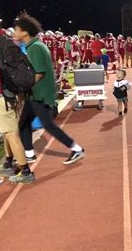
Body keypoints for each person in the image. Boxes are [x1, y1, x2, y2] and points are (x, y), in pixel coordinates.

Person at [14, 14, 85, 165]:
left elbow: (39, 73)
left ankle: (76, 148)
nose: (14, 32)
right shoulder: (35, 45)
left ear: (25, 32)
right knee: (24, 123)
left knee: (48, 125)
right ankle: (29, 153)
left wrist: (23, 87)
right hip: (36, 94)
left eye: (16, 29)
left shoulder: (35, 48)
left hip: (40, 94)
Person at [0, 29, 36, 184]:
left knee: (11, 133)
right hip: (13, 93)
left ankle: (26, 172)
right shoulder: (5, 40)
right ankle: (8, 162)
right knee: (7, 130)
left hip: (1, 95)